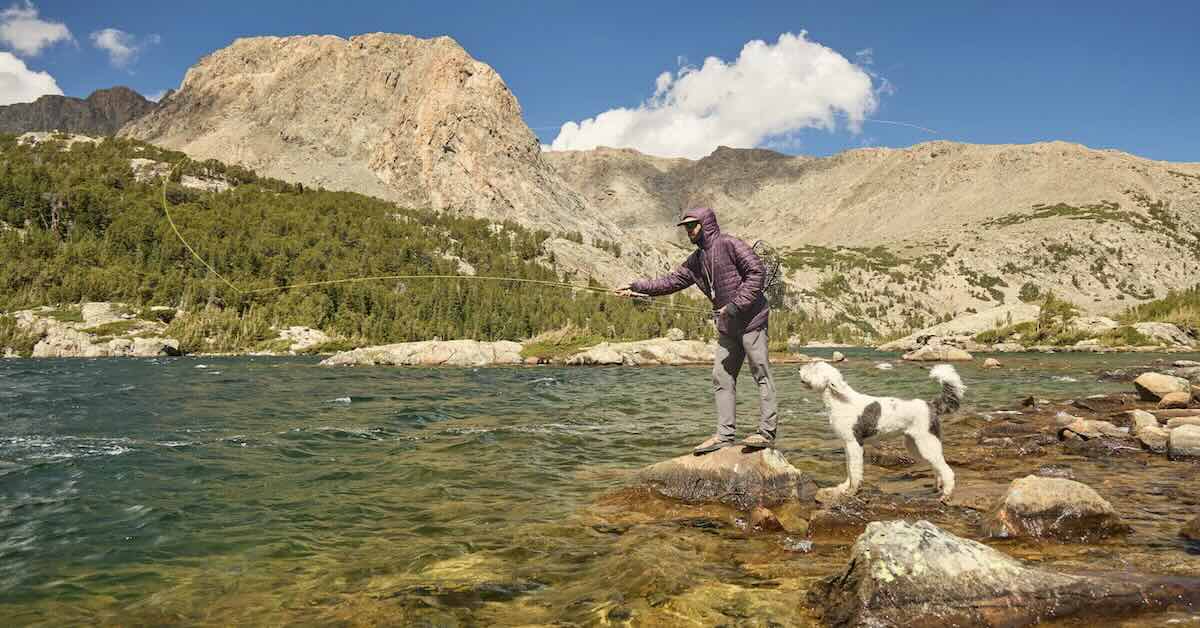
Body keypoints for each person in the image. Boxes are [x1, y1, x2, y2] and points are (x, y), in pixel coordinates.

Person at [617, 207, 777, 455]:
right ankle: (725, 436)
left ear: (707, 224)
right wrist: (636, 287)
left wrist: (734, 306)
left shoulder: (730, 244)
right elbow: (671, 281)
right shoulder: (696, 259)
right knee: (721, 377)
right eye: (686, 227)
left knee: (761, 374)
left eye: (693, 225)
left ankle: (766, 433)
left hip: (752, 321)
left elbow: (757, 273)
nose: (689, 231)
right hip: (728, 327)